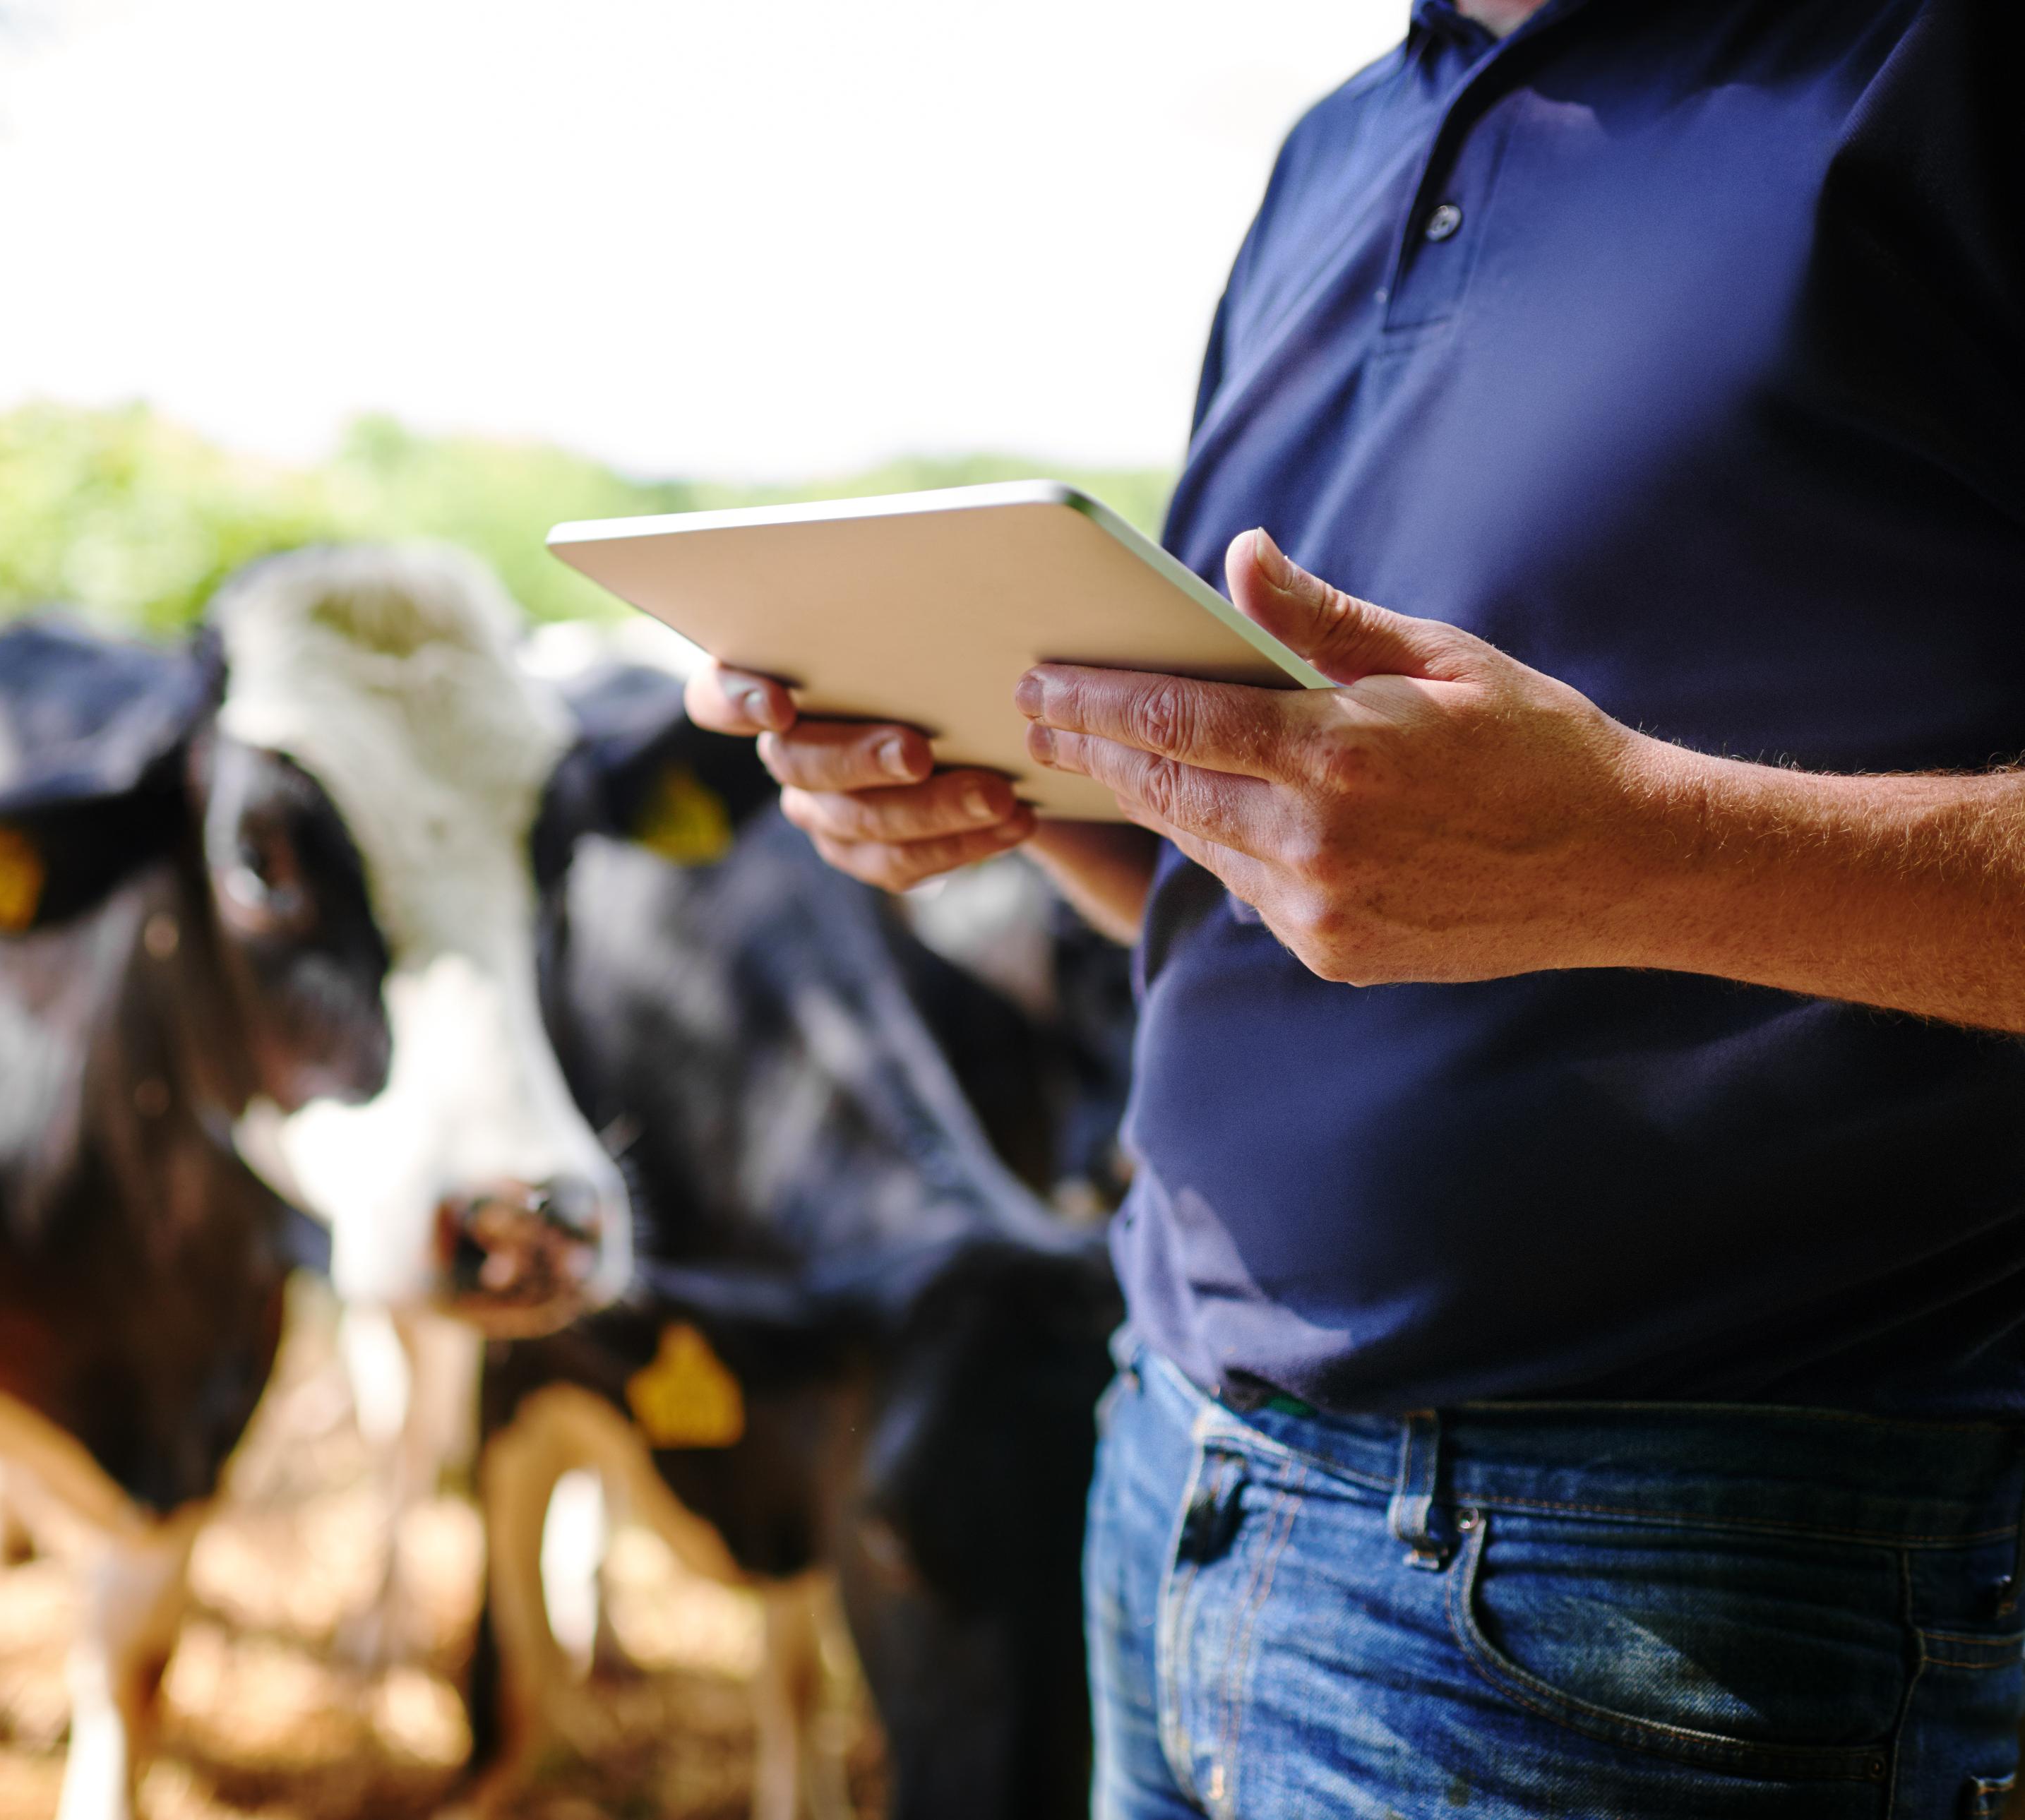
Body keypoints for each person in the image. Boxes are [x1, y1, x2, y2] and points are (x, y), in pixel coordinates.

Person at [686, 0, 2025, 1813]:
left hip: (1663, 1562)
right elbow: (1325, 873)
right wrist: (1005, 798)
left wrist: (1636, 841)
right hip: (1170, 1446)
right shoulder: (1334, 144)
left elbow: (1527, 851)